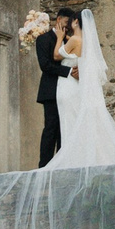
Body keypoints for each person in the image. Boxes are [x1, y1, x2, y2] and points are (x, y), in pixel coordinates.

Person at [46, 8, 115, 168]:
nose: (70, 22)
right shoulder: (86, 42)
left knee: (69, 119)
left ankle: (73, 161)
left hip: (67, 85)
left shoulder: (74, 40)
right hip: (76, 85)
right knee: (75, 119)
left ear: (76, 22)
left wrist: (60, 38)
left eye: (73, 20)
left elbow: (56, 55)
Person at [33, 9, 74, 167]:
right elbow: (45, 65)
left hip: (69, 90)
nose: (68, 26)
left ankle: (62, 164)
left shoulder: (70, 39)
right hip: (51, 90)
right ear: (58, 20)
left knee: (65, 128)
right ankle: (45, 165)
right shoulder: (43, 39)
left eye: (70, 24)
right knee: (51, 127)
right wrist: (69, 71)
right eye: (66, 23)